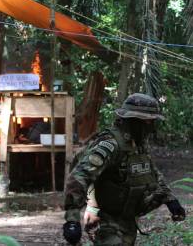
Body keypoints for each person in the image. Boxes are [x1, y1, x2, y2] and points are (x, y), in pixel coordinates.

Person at [63, 93, 186, 246]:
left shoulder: (138, 143)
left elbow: (151, 172)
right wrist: (72, 220)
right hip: (108, 222)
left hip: (128, 220)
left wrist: (170, 200)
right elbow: (80, 176)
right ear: (134, 121)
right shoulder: (111, 145)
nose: (151, 127)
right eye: (148, 122)